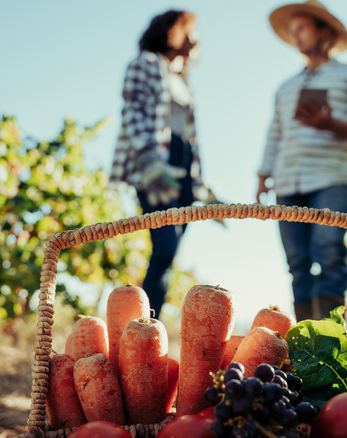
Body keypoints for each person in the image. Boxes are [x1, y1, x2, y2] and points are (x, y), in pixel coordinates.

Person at [256, 1, 347, 321]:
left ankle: (331, 338)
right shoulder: (285, 87)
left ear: (322, 31)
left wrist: (330, 124)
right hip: (287, 181)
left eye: (302, 28)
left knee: (330, 252)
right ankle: (307, 342)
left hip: (330, 177)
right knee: (296, 262)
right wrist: (263, 174)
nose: (296, 36)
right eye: (292, 31)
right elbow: (275, 133)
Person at [110, 9, 215, 318]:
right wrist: (149, 160)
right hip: (157, 164)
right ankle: (141, 324)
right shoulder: (145, 63)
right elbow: (133, 112)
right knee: (165, 246)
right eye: (189, 30)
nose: (195, 39)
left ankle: (147, 326)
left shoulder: (183, 79)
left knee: (169, 253)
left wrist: (200, 184)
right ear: (172, 31)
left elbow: (190, 137)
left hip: (182, 169)